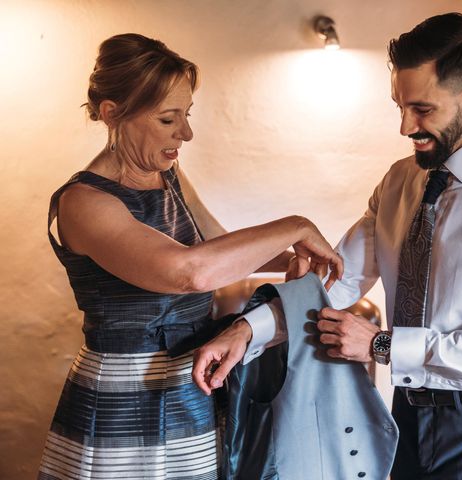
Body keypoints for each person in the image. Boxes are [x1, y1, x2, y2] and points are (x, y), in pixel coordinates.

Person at [193, 12, 462, 480]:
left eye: (422, 109)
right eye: (399, 107)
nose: (404, 127)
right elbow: (339, 280)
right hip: (405, 418)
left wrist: (382, 344)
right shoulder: (399, 180)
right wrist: (246, 331)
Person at [38, 33, 342, 480]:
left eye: (187, 115)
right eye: (168, 119)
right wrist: (295, 225)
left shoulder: (169, 176)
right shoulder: (83, 202)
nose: (186, 133)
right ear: (112, 114)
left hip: (189, 384)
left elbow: (213, 245)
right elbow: (189, 272)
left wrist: (296, 256)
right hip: (124, 397)